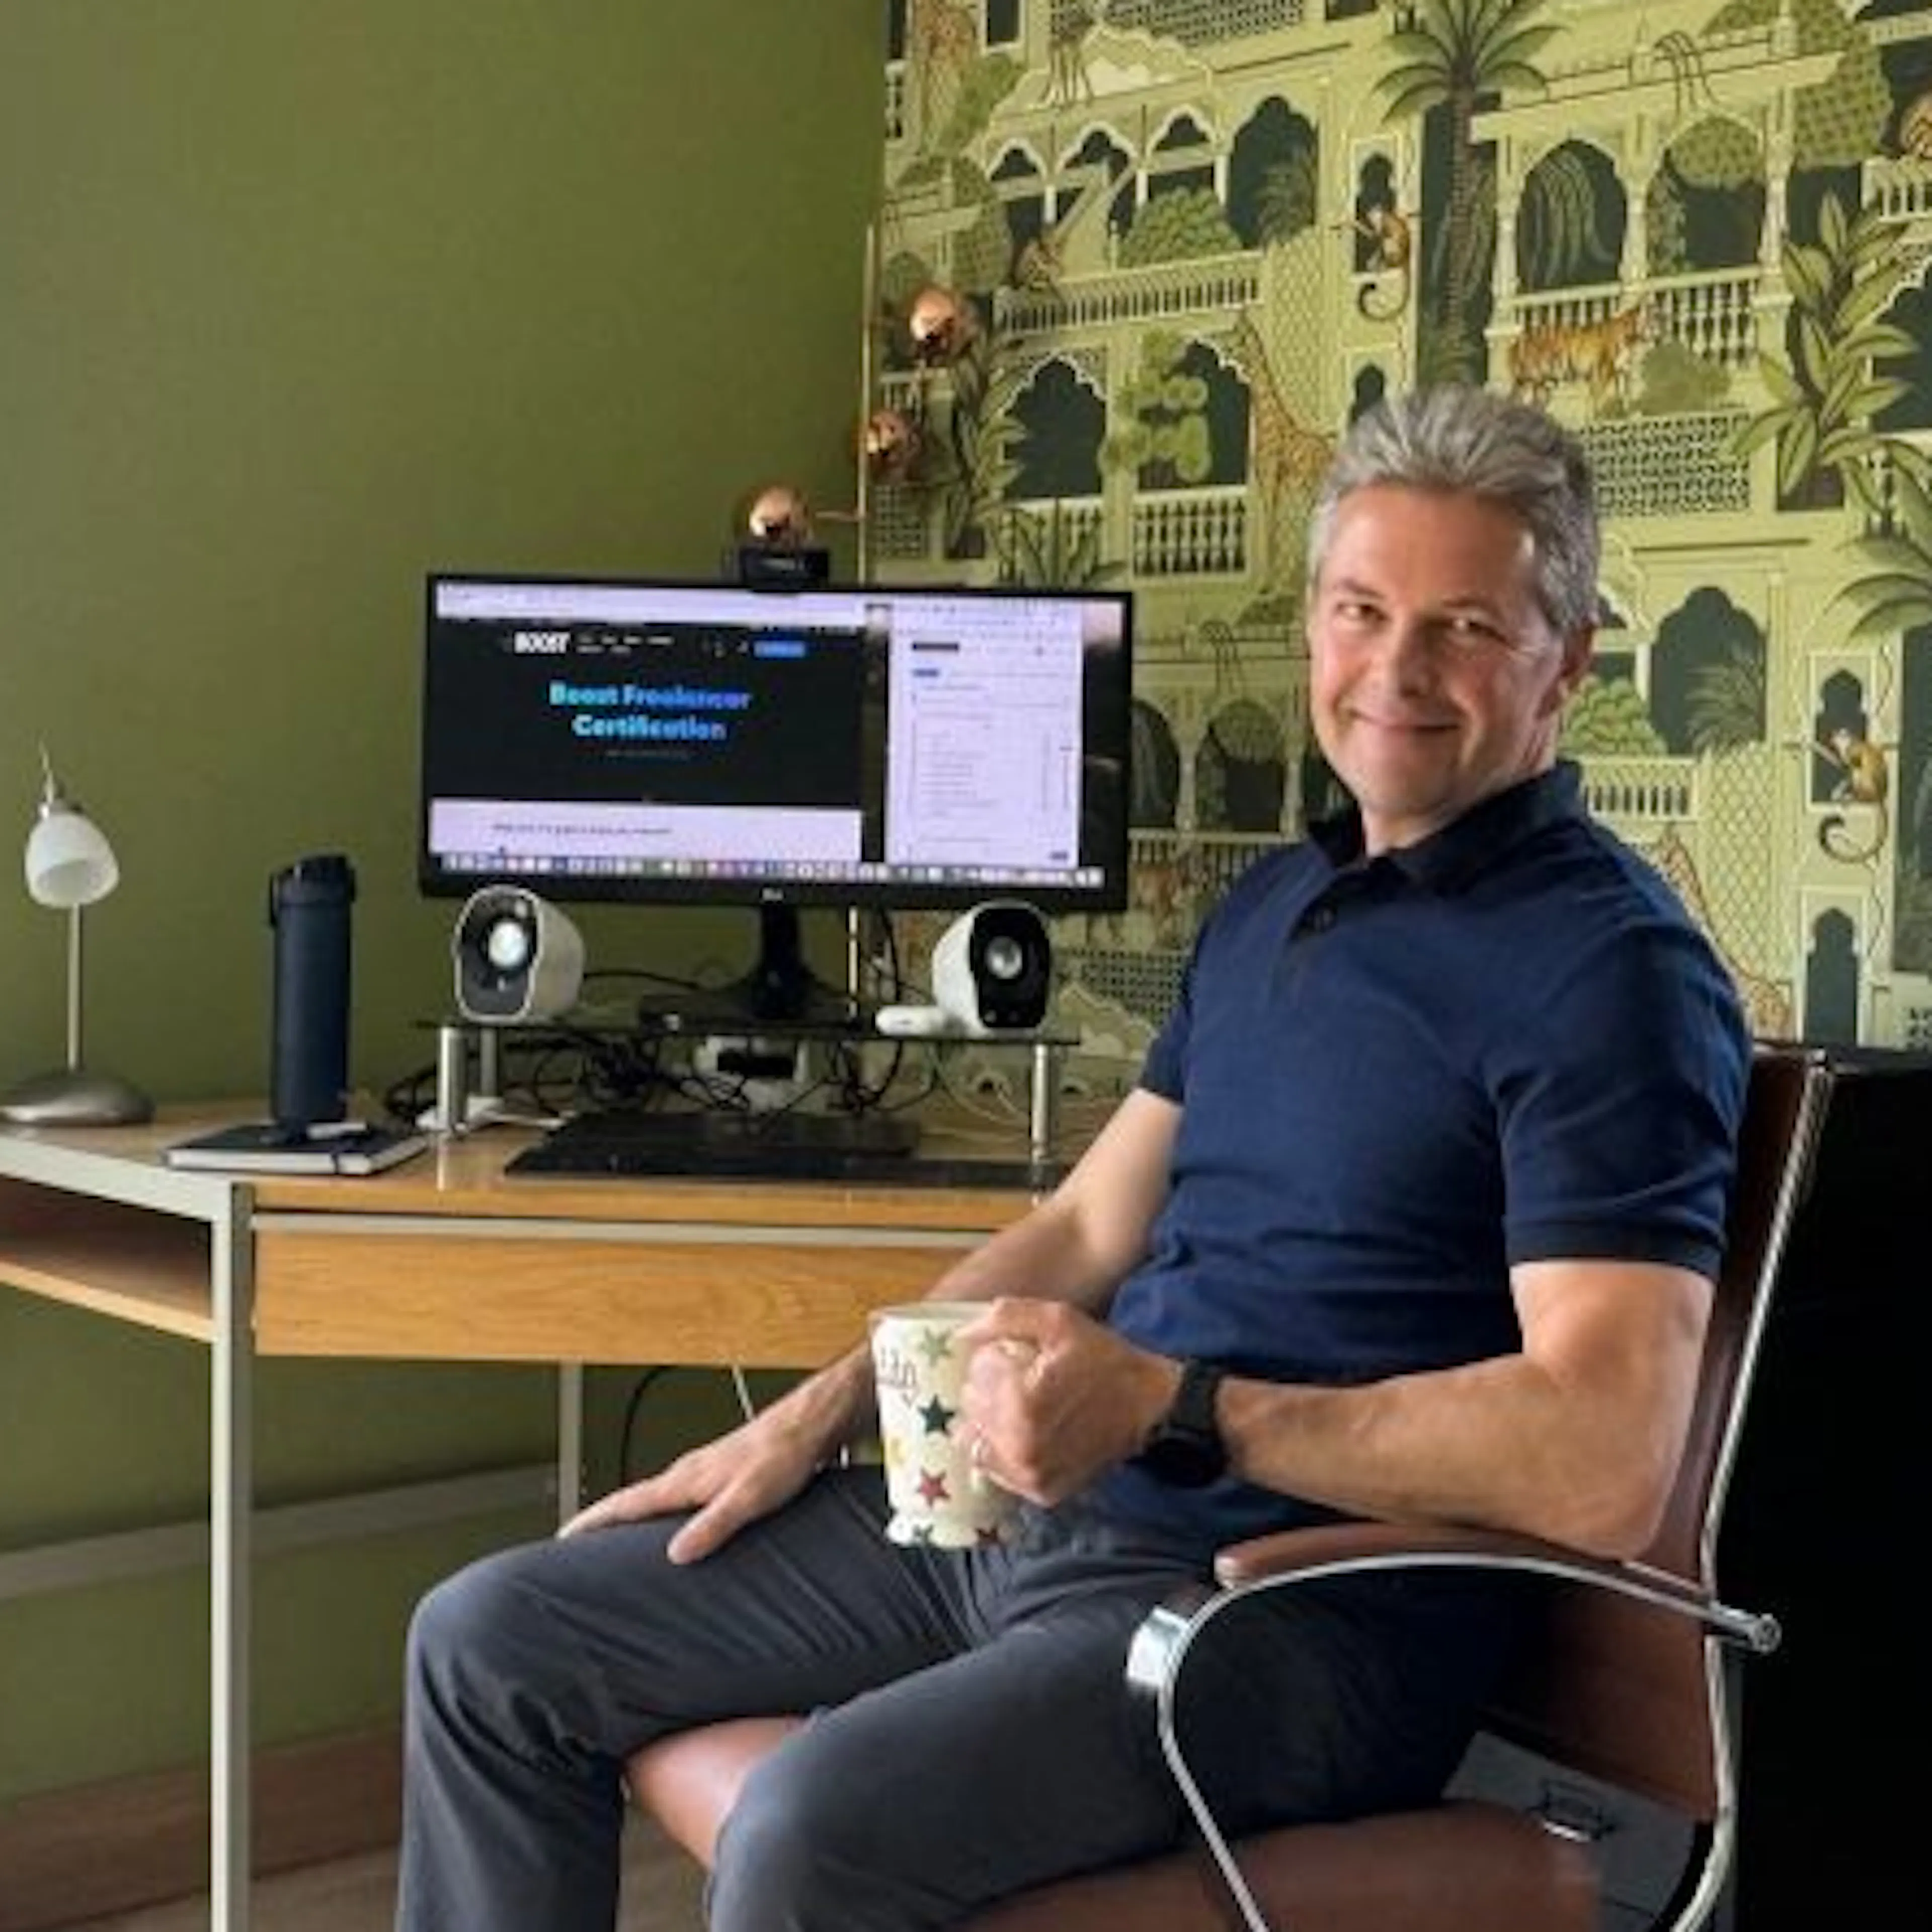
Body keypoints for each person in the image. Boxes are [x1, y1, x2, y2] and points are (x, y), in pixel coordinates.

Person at [395, 385, 1750, 1932]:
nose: (1396, 671)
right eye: (1362, 610)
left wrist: (1177, 1410)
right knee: (490, 1640)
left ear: (1567, 664)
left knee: (810, 1831)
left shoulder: (1608, 974)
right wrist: (810, 1422)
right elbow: (1089, 1222)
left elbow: (1602, 1453)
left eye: (1465, 630)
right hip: (1037, 1523)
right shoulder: (1275, 912)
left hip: (1283, 1617)